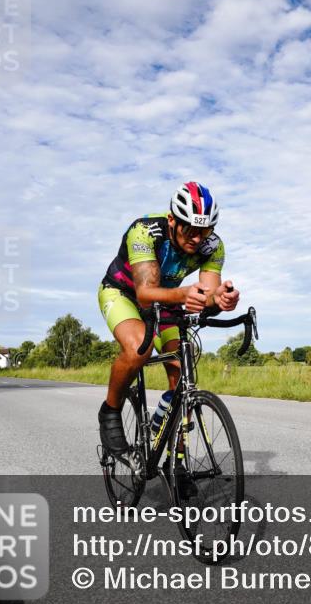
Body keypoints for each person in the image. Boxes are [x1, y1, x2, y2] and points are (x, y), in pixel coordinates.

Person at [97, 182, 240, 455]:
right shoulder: (145, 231)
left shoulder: (213, 246)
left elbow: (207, 296)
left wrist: (220, 300)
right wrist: (186, 293)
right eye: (190, 229)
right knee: (140, 346)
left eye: (205, 230)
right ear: (172, 220)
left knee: (183, 377)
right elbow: (145, 294)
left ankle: (176, 458)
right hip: (124, 293)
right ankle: (110, 411)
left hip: (169, 301)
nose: (197, 238)